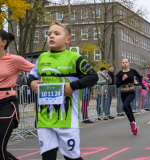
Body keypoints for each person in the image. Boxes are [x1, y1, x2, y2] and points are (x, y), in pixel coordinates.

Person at [27, 21, 98, 160]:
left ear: (67, 40)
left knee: (71, 158)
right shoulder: (42, 57)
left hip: (67, 119)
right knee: (47, 157)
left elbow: (93, 77)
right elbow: (31, 76)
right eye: (49, 34)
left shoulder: (75, 58)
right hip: (44, 118)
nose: (51, 36)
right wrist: (31, 83)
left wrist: (72, 86)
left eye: (56, 33)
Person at [0, 30, 34, 160]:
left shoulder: (14, 59)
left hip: (7, 104)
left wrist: (33, 82)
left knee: (0, 145)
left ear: (4, 42)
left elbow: (37, 69)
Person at [116, 59, 142, 135]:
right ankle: (135, 126)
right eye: (123, 63)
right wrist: (122, 79)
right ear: (121, 64)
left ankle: (132, 123)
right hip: (123, 92)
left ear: (129, 63)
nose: (125, 64)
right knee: (129, 109)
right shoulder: (120, 73)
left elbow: (140, 77)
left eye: (126, 62)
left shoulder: (132, 71)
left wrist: (140, 85)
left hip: (131, 92)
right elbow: (117, 85)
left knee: (125, 106)